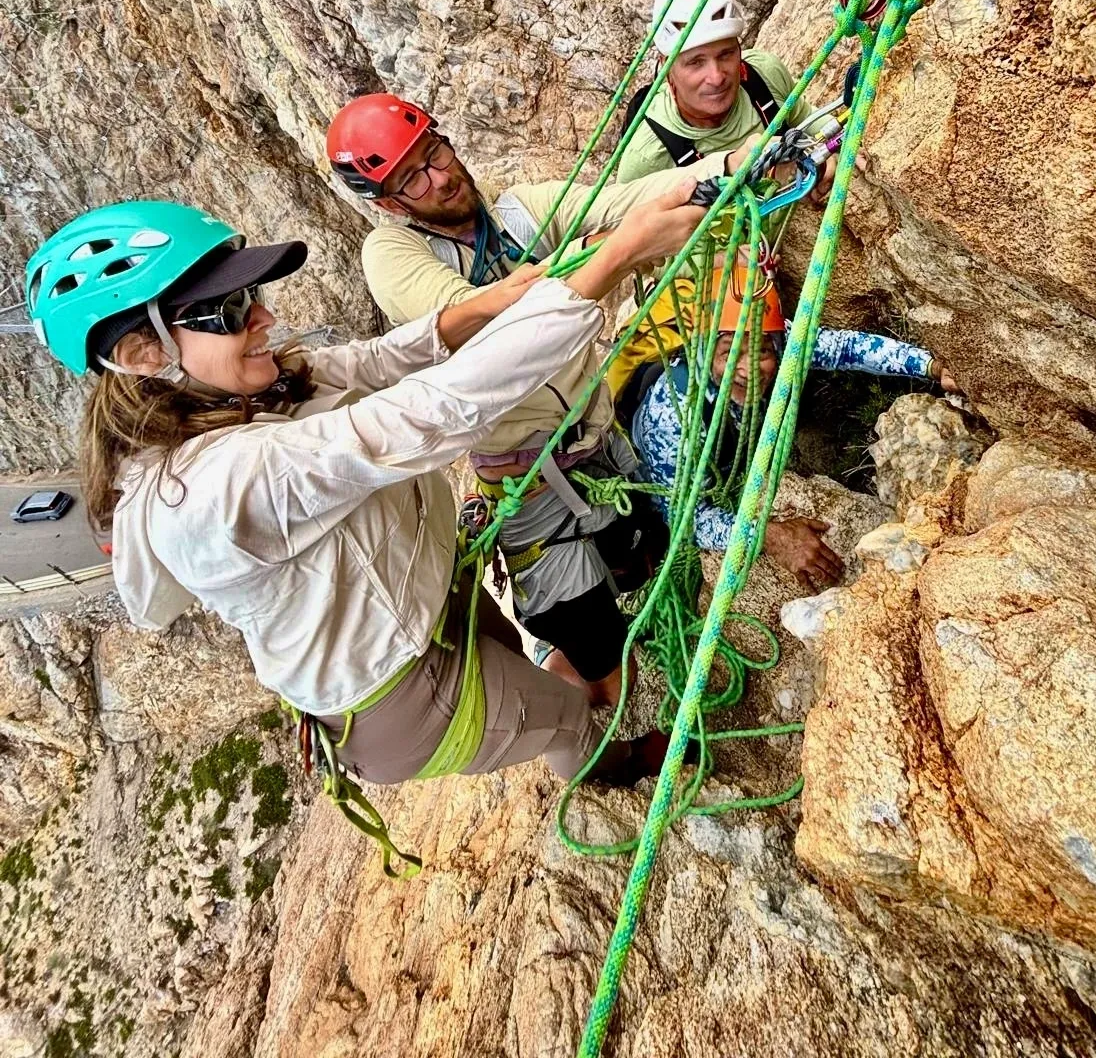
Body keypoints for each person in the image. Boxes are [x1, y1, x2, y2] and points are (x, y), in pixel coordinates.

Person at [25, 190, 704, 806]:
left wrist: (491, 303)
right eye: (229, 310)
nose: (262, 315)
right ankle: (612, 768)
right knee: (563, 715)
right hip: (399, 693)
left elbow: (373, 364)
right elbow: (426, 414)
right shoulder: (209, 488)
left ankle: (582, 725)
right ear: (145, 351)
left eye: (251, 294)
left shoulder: (238, 395)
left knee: (534, 683)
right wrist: (614, 261)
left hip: (428, 601)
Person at [326, 93, 757, 710]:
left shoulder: (517, 210)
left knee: (644, 556)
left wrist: (730, 163)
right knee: (599, 655)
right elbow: (489, 323)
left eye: (435, 151)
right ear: (393, 203)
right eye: (415, 176)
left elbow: (615, 199)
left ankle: (611, 605)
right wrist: (616, 248)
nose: (443, 176)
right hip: (529, 483)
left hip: (598, 441)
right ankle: (593, 728)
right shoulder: (392, 255)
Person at [628, 255, 958, 589]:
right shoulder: (672, 415)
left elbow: (844, 348)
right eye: (729, 354)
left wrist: (929, 366)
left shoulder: (773, 335)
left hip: (730, 451)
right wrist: (768, 536)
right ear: (703, 349)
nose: (748, 368)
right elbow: (683, 519)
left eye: (761, 352)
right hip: (668, 483)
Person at [616, 0, 798, 183]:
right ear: (667, 68)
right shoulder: (647, 156)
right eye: (696, 62)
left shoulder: (765, 77)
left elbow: (809, 120)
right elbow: (630, 216)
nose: (716, 77)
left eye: (726, 54)